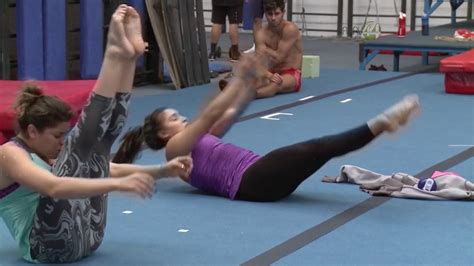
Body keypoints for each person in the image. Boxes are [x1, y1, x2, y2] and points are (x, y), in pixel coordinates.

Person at [0, 5, 191, 263]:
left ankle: (127, 60)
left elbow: (106, 169)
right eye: (57, 136)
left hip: (88, 236)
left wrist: (162, 170)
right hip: (49, 247)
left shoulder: (46, 153)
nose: (60, 142)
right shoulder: (9, 155)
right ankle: (114, 54)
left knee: (98, 151)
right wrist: (118, 186)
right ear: (32, 131)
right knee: (82, 146)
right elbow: (53, 187)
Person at [113, 53, 421, 203]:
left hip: (261, 174)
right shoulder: (175, 148)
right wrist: (238, 77)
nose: (181, 118)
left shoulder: (193, 140)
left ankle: (382, 125)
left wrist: (248, 84)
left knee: (316, 152)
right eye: (174, 117)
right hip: (251, 182)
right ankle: (382, 123)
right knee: (316, 148)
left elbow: (227, 114)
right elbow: (210, 114)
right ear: (165, 133)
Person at [219, 0, 301, 99]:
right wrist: (268, 75)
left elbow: (279, 57)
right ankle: (234, 91)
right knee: (254, 79)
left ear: (283, 13)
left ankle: (245, 96)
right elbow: (258, 62)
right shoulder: (261, 33)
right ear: (265, 14)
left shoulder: (290, 29)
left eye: (277, 13)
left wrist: (264, 49)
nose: (273, 18)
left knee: (275, 84)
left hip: (291, 73)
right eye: (270, 14)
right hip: (272, 71)